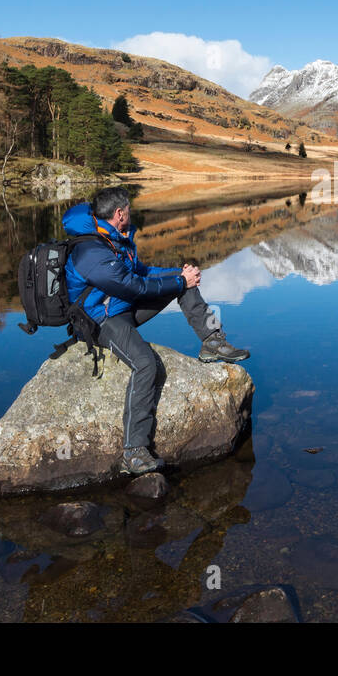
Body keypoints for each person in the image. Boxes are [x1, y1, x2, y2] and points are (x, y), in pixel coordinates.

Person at [63, 186, 250, 475]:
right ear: (119, 214)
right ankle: (134, 451)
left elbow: (140, 272)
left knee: (183, 283)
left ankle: (213, 340)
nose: (130, 213)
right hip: (100, 322)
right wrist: (179, 282)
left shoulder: (114, 238)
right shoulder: (91, 252)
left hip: (121, 307)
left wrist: (179, 274)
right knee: (145, 364)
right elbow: (132, 286)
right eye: (128, 209)